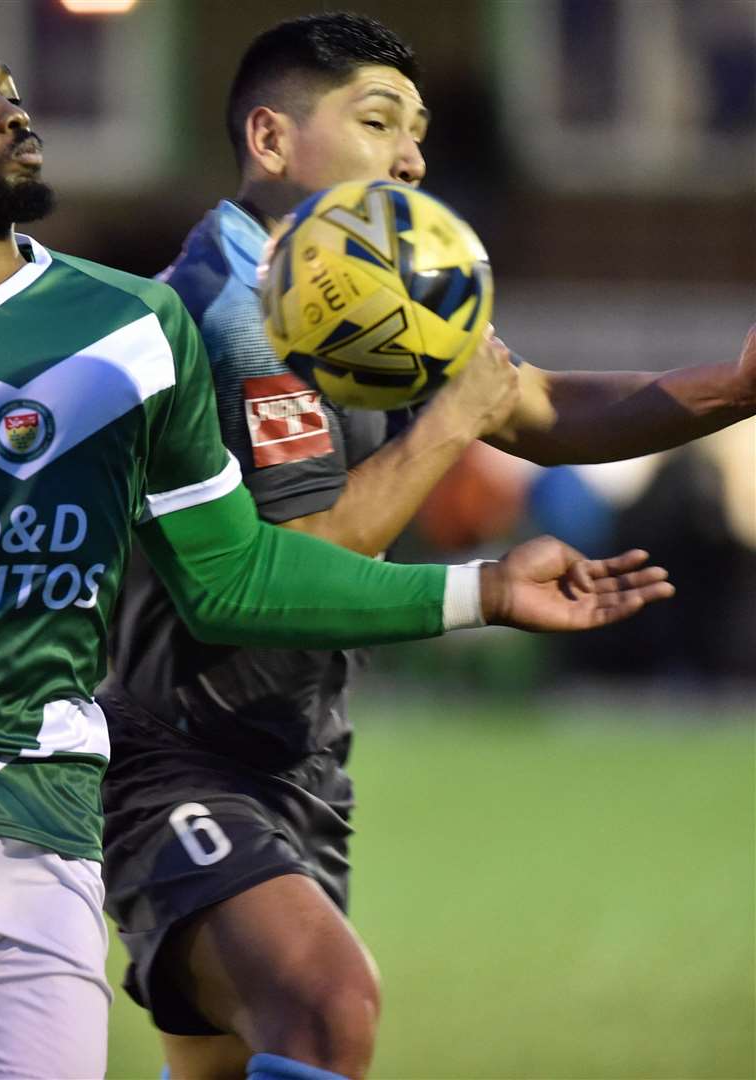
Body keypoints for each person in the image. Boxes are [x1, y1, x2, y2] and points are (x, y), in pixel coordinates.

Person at [0, 9, 675, 1080]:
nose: (11, 106)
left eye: (7, 88)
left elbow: (231, 579)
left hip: (43, 812)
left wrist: (484, 591)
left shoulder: (132, 323)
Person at [99, 13, 756, 1080]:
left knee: (257, 1052)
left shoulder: (348, 285)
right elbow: (289, 561)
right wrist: (450, 430)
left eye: (415, 129)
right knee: (326, 1004)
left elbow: (534, 405)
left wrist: (730, 389)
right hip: (175, 758)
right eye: (375, 121)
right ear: (269, 141)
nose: (409, 157)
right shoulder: (223, 318)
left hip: (297, 756)